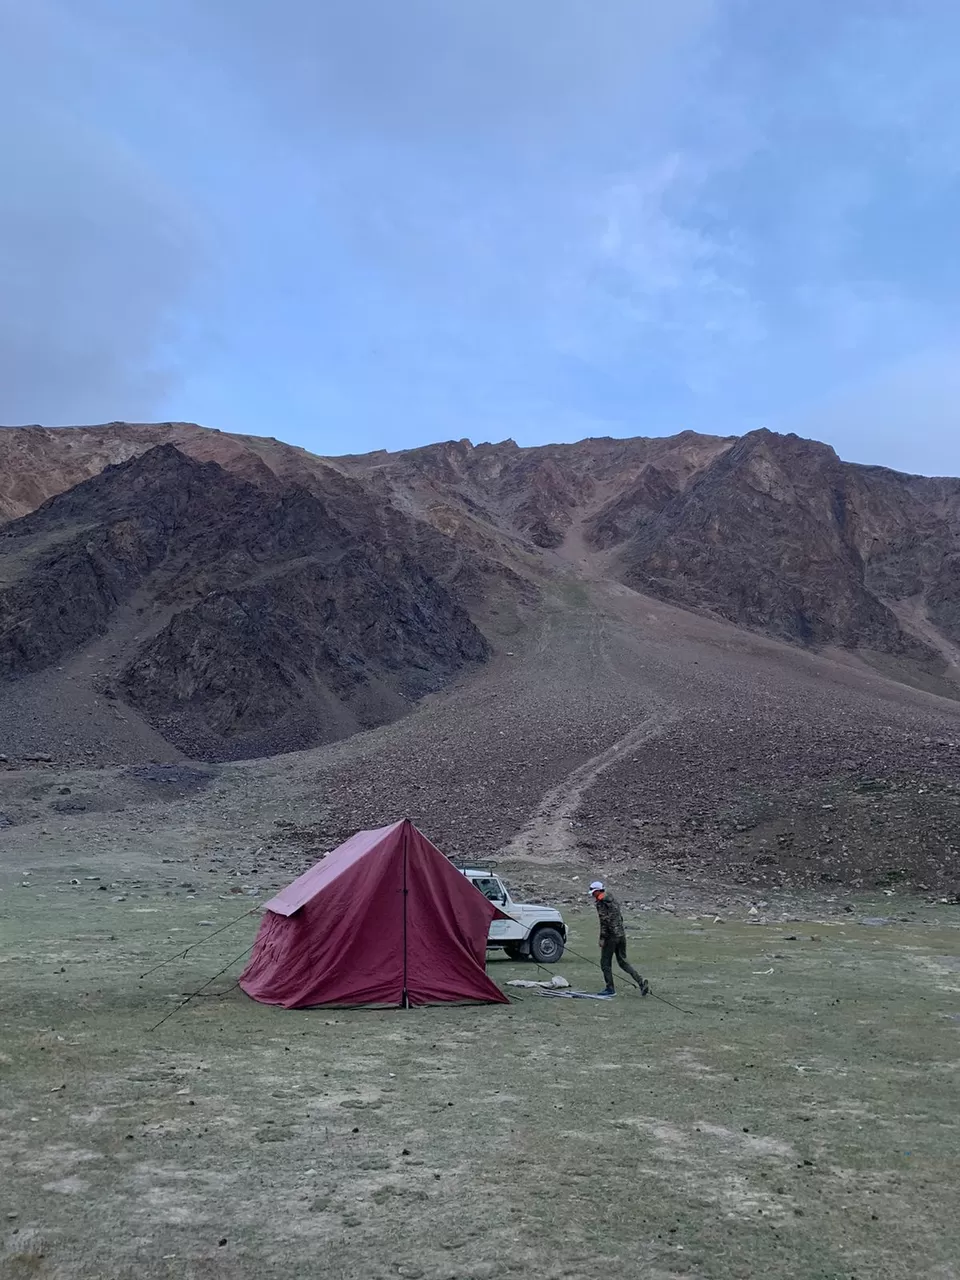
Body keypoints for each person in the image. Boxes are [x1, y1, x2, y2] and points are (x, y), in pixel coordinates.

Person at [590, 880, 649, 997]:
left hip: (611, 937)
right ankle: (641, 982)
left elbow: (604, 922)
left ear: (597, 891)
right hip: (621, 935)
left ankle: (610, 989)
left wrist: (602, 938)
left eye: (593, 892)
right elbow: (619, 918)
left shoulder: (601, 903)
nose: (592, 895)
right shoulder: (613, 899)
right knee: (623, 961)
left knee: (605, 963)